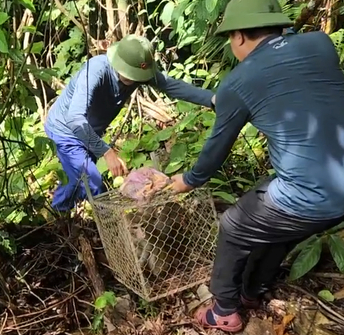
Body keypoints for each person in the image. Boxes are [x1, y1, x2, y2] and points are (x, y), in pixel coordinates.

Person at [169, 0, 344, 333]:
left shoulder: (240, 81)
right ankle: (251, 292)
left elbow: (215, 151)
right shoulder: (320, 44)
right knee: (273, 225)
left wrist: (186, 180)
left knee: (234, 225)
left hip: (312, 193)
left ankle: (224, 311)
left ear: (239, 35)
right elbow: (273, 83)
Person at [44, 34, 216, 212]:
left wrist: (213, 99)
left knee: (78, 178)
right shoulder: (96, 70)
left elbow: (173, 87)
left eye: (138, 76)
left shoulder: (141, 73)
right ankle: (110, 226)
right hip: (66, 130)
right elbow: (75, 118)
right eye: (129, 75)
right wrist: (106, 152)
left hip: (90, 133)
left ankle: (58, 215)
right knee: (92, 182)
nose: (133, 80)